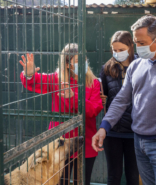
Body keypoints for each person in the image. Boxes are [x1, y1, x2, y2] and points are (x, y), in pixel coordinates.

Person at [92, 15, 156, 185]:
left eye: (142, 43)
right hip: (139, 142)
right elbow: (121, 99)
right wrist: (104, 127)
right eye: (136, 42)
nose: (137, 47)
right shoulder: (136, 65)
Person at [19, 43, 103, 185]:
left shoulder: (93, 83)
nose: (83, 64)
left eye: (84, 60)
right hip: (60, 144)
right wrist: (29, 74)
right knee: (60, 182)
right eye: (77, 61)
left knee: (82, 181)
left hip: (85, 141)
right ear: (68, 64)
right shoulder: (57, 79)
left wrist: (73, 97)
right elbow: (36, 82)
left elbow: (94, 110)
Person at [99, 31, 139, 185]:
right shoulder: (107, 69)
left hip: (134, 130)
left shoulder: (141, 66)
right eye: (114, 50)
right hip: (113, 131)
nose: (117, 53)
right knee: (113, 175)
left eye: (121, 50)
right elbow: (104, 96)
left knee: (133, 175)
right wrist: (101, 98)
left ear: (130, 46)